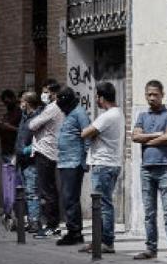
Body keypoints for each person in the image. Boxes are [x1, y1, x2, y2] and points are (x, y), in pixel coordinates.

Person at [132, 80, 167, 259]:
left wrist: (149, 139)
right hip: (146, 169)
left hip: (165, 167)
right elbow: (135, 137)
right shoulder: (142, 116)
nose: (152, 98)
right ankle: (150, 248)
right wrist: (156, 135)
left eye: (155, 94)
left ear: (162, 94)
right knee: (149, 211)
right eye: (149, 94)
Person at [80, 81, 124, 254]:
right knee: (102, 204)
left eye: (97, 96)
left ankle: (106, 241)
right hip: (110, 164)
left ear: (102, 97)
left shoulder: (108, 116)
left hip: (104, 165)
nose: (96, 100)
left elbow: (85, 133)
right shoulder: (117, 113)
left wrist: (88, 132)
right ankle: (98, 240)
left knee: (103, 205)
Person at [53, 87, 90, 246]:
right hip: (65, 161)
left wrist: (86, 160)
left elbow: (87, 135)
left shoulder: (80, 113)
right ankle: (74, 231)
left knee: (70, 197)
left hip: (74, 162)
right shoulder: (69, 113)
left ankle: (74, 232)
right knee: (68, 197)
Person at [28, 80, 64, 239]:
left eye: (45, 92)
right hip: (48, 151)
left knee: (47, 191)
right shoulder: (53, 108)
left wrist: (36, 122)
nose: (43, 95)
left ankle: (52, 225)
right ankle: (52, 224)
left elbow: (32, 125)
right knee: (48, 190)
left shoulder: (52, 108)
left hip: (46, 152)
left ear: (54, 94)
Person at [14, 91, 42, 233]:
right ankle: (28, 219)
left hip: (31, 161)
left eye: (22, 101)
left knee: (32, 192)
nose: (20, 104)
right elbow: (20, 136)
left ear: (28, 103)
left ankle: (35, 222)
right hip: (22, 160)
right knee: (26, 191)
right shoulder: (24, 117)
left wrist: (27, 150)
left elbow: (40, 139)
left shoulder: (37, 118)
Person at [0, 89, 22, 224]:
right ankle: (8, 207)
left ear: (13, 98)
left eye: (8, 100)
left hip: (14, 151)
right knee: (7, 182)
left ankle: (16, 208)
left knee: (15, 181)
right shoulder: (7, 114)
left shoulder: (19, 113)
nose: (6, 103)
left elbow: (22, 131)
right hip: (5, 150)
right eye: (4, 101)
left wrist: (8, 127)